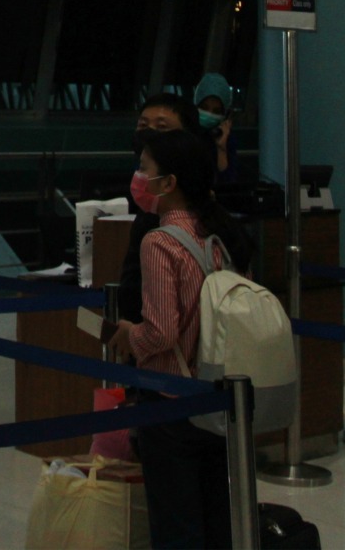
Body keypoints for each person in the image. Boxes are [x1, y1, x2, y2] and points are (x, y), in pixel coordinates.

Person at [110, 128, 253, 550]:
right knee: (217, 517)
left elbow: (161, 332)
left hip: (170, 399)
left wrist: (128, 335)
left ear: (169, 182)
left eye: (145, 169)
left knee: (177, 524)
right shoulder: (222, 235)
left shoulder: (159, 242)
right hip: (218, 394)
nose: (138, 177)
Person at [119, 93, 204, 321]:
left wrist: (131, 334)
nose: (149, 133)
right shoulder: (150, 212)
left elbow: (161, 329)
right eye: (143, 125)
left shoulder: (160, 236)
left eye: (162, 127)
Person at [194, 72, 237, 179]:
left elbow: (228, 182)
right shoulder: (185, 133)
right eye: (204, 108)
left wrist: (221, 148)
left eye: (216, 111)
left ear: (225, 115)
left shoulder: (227, 139)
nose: (209, 113)